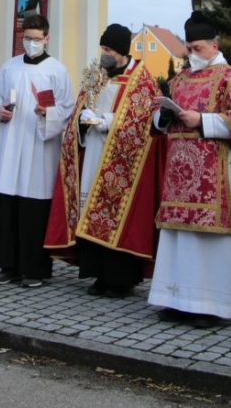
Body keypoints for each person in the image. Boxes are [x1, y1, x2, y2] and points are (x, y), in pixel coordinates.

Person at [148, 10, 231, 328]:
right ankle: (175, 299)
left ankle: (211, 305)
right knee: (178, 239)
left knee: (206, 242)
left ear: (215, 44)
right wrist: (165, 116)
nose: (192, 55)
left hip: (212, 174)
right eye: (189, 49)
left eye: (198, 49)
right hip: (178, 172)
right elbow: (157, 124)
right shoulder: (178, 80)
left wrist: (202, 120)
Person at [46, 23, 162, 298]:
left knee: (118, 218)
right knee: (91, 213)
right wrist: (82, 123)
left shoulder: (141, 80)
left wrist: (106, 121)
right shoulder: (97, 76)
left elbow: (142, 121)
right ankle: (98, 274)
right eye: (102, 48)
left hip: (122, 164)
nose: (103, 54)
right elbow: (79, 109)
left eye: (108, 49)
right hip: (93, 155)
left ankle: (120, 279)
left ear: (122, 51)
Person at [0, 14, 76, 287]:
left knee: (34, 208)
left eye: (36, 39)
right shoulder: (9, 68)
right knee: (9, 203)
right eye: (27, 38)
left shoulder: (56, 70)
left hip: (39, 147)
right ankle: (8, 265)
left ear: (47, 39)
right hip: (12, 144)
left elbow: (68, 108)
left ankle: (34, 269)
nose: (31, 43)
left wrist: (47, 114)